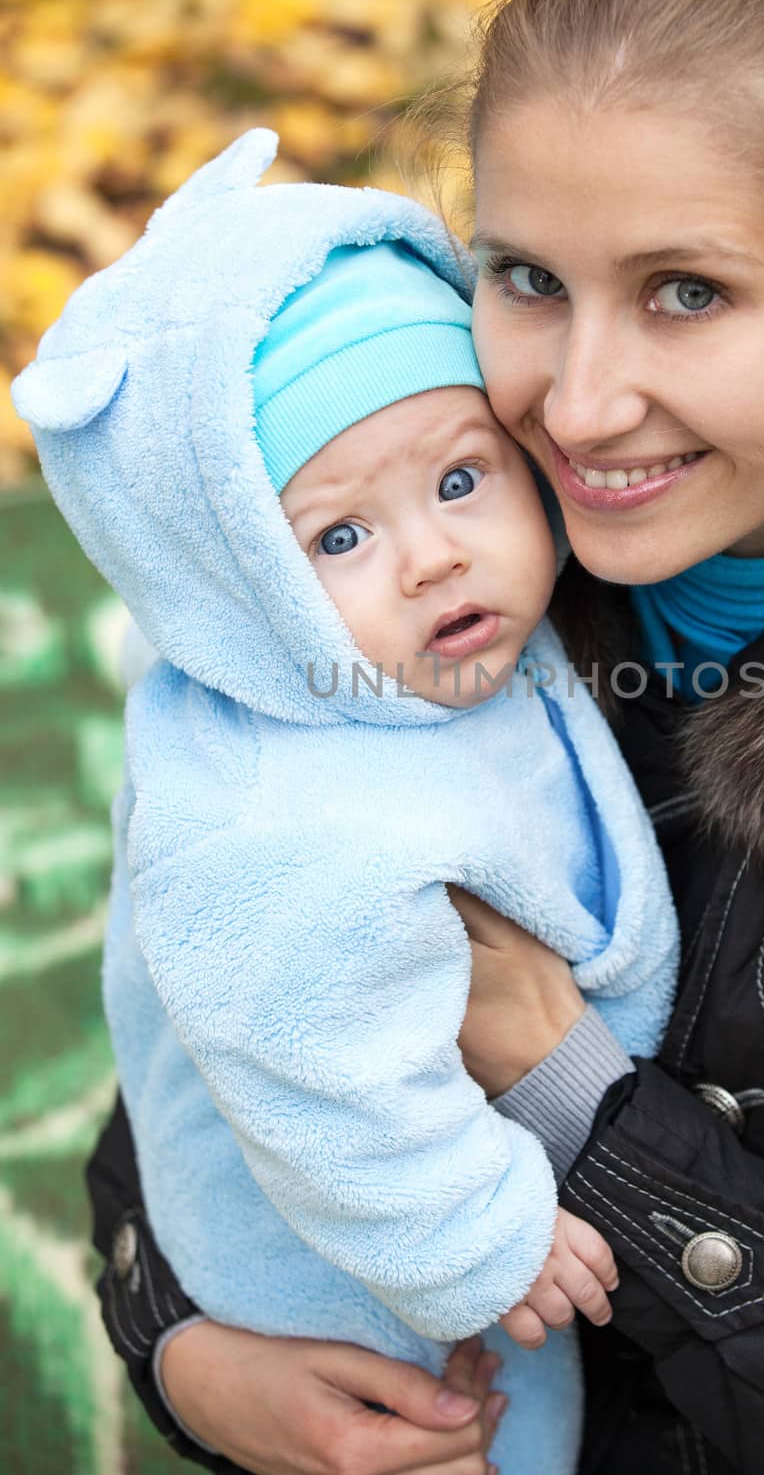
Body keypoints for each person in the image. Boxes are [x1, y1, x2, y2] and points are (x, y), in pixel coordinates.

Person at [82, 0, 764, 1470]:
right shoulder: (419, 554)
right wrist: (184, 1338)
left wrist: (573, 1094)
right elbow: (210, 1003)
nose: (581, 406)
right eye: (528, 279)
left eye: (688, 291)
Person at [11, 145, 682, 1475]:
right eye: (338, 537)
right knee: (474, 1440)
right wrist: (475, 1232)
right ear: (240, 585)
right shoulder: (276, 814)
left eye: (459, 479)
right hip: (353, 1266)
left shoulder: (422, 654)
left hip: (483, 1180)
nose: (433, 551)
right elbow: (309, 1052)